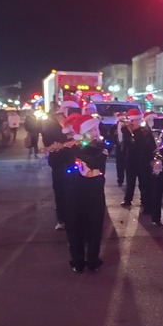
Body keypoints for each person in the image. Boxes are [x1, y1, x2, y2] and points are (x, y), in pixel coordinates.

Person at [53, 114, 108, 273]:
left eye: (97, 128)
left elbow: (96, 162)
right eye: (93, 129)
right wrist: (57, 150)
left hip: (95, 192)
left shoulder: (101, 147)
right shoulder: (69, 148)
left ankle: (93, 260)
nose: (97, 132)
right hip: (74, 193)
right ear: (84, 132)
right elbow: (53, 163)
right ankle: (77, 261)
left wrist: (77, 149)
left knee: (95, 227)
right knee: (74, 227)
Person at [43, 104, 75, 230]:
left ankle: (72, 217)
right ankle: (61, 219)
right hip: (57, 162)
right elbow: (48, 142)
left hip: (71, 161)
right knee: (59, 191)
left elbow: (76, 140)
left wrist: (67, 143)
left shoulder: (72, 123)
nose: (61, 115)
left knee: (71, 191)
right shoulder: (50, 125)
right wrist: (58, 145)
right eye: (59, 113)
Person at [122, 108, 156, 209]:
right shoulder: (126, 130)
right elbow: (128, 143)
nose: (134, 123)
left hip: (143, 160)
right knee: (130, 181)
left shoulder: (145, 131)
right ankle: (128, 199)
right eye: (132, 121)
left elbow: (148, 146)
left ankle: (145, 202)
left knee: (144, 182)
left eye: (136, 120)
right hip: (131, 160)